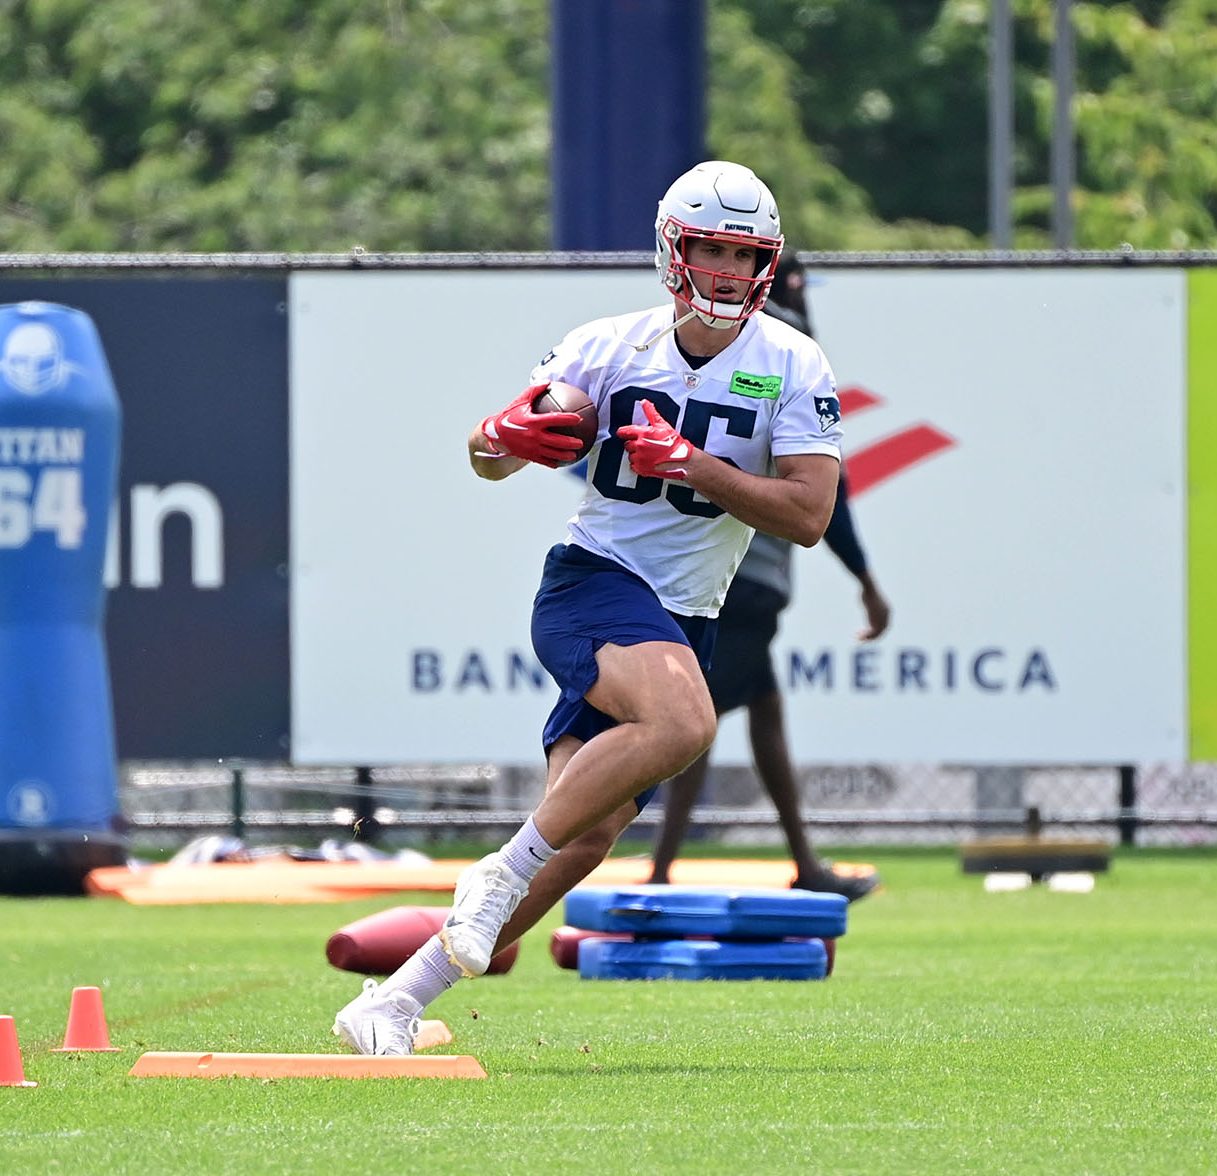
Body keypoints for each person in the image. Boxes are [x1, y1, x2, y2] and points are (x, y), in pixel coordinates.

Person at [332, 160, 845, 1055]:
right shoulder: (610, 345)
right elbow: (503, 441)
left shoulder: (793, 361)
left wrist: (696, 466)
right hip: (591, 581)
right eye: (709, 249)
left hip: (686, 616)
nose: (725, 270)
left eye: (743, 252)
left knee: (588, 831)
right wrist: (501, 437)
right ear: (671, 251)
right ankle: (497, 875)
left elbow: (809, 515)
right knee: (686, 722)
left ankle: (394, 1001)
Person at [647, 252, 890, 901]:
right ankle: (658, 868)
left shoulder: (711, 336)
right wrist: (865, 579)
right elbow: (824, 501)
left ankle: (796, 863)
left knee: (761, 707)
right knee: (691, 721)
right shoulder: (788, 351)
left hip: (706, 563)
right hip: (743, 572)